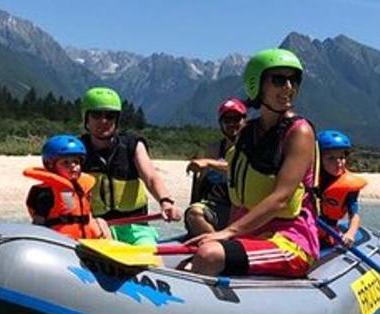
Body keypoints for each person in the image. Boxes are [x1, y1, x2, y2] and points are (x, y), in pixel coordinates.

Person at [185, 48, 320, 277]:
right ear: (257, 84)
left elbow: (281, 198)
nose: (288, 87)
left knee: (209, 255)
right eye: (279, 80)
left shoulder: (300, 132)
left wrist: (228, 232)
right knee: (189, 263)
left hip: (288, 242)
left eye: (293, 80)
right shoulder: (248, 132)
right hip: (248, 236)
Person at [78, 86, 181, 245]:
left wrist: (165, 201)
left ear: (117, 119)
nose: (103, 121)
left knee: (148, 256)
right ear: (86, 118)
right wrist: (90, 220)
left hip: (135, 228)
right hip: (95, 226)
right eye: (96, 115)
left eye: (110, 116)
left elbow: (151, 177)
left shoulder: (132, 145)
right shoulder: (77, 151)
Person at [24, 134, 111, 240]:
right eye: (66, 162)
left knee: (101, 222)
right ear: (51, 166)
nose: (73, 166)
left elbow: (86, 215)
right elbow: (38, 224)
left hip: (85, 241)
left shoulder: (81, 188)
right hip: (60, 242)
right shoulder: (45, 192)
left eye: (76, 162)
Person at [184, 97, 247, 236]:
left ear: (244, 120)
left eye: (236, 119)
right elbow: (202, 183)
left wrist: (210, 163)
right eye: (227, 120)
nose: (232, 124)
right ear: (221, 123)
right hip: (219, 207)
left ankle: (221, 247)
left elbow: (239, 168)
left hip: (244, 210)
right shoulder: (214, 149)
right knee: (193, 214)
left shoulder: (252, 147)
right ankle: (218, 244)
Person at [315, 129, 367, 248]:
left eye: (341, 157)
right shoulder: (310, 179)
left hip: (328, 230)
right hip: (308, 227)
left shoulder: (348, 185)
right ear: (319, 160)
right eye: (331, 158)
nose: (338, 162)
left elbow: (354, 215)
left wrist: (350, 233)